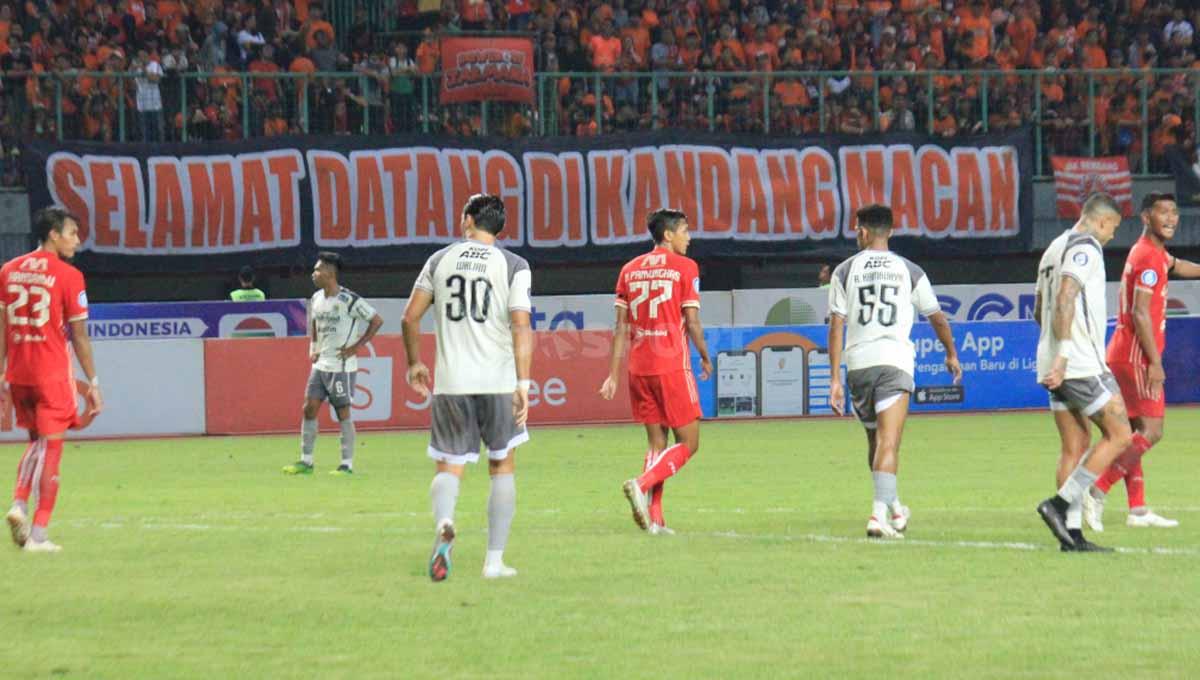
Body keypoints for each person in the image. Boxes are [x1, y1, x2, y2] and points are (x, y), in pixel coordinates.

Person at [401, 194, 533, 582]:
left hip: (452, 382)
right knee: (502, 465)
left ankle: (445, 522)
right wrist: (523, 383)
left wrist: (414, 363)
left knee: (449, 465)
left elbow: (409, 318)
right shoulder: (514, 265)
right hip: (498, 381)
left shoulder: (439, 260)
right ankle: (493, 562)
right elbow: (521, 325)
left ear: (467, 220)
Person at [827, 204, 961, 539]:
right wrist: (951, 353)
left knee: (876, 441)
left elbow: (836, 325)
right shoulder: (909, 270)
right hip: (894, 361)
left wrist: (834, 379)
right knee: (889, 442)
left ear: (863, 232)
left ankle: (895, 507)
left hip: (858, 365)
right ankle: (877, 516)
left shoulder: (844, 270)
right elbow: (936, 317)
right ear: (891, 231)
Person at [1084, 192, 1200, 530]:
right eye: (1163, 212)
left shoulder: (1151, 252)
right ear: (1146, 217)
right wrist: (1154, 362)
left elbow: (1179, 266)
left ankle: (1137, 510)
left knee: (1133, 433)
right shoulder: (1149, 257)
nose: (1171, 218)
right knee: (1152, 431)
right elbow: (1139, 312)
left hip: (1122, 352)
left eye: (1174, 212)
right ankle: (1097, 488)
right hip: (1135, 355)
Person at [599, 208, 713, 535]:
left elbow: (620, 327)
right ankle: (641, 483)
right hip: (672, 364)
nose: (689, 238)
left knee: (656, 443)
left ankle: (655, 520)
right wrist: (705, 356)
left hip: (639, 367)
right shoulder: (685, 267)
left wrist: (613, 375)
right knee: (689, 442)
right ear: (668, 234)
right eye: (685, 231)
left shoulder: (629, 269)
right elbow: (692, 321)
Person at [1034, 193, 1131, 552]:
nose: (1112, 235)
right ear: (1102, 220)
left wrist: (1053, 353)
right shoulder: (1086, 247)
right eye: (1113, 228)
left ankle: (1071, 535)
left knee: (1074, 446)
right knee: (1120, 434)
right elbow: (1065, 297)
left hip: (1052, 360)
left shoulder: (1052, 249)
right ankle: (1059, 506)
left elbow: (1039, 309)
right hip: (1078, 361)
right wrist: (1065, 354)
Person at [2, 207, 103, 553]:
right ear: (53, 235)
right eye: (71, 233)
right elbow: (80, 336)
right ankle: (39, 534)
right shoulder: (69, 275)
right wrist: (93, 382)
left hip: (18, 374)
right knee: (52, 450)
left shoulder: (8, 270)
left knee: (37, 444)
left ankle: (19, 504)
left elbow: (2, 327)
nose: (77, 240)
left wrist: (1, 373)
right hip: (51, 374)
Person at [282, 253, 383, 476]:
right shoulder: (317, 298)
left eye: (317, 270)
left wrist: (357, 346)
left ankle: (346, 464)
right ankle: (306, 462)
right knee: (309, 408)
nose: (313, 274)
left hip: (341, 367)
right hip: (321, 365)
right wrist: (313, 347)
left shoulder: (349, 300)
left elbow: (376, 320)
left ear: (330, 273)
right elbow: (315, 324)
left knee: (342, 412)